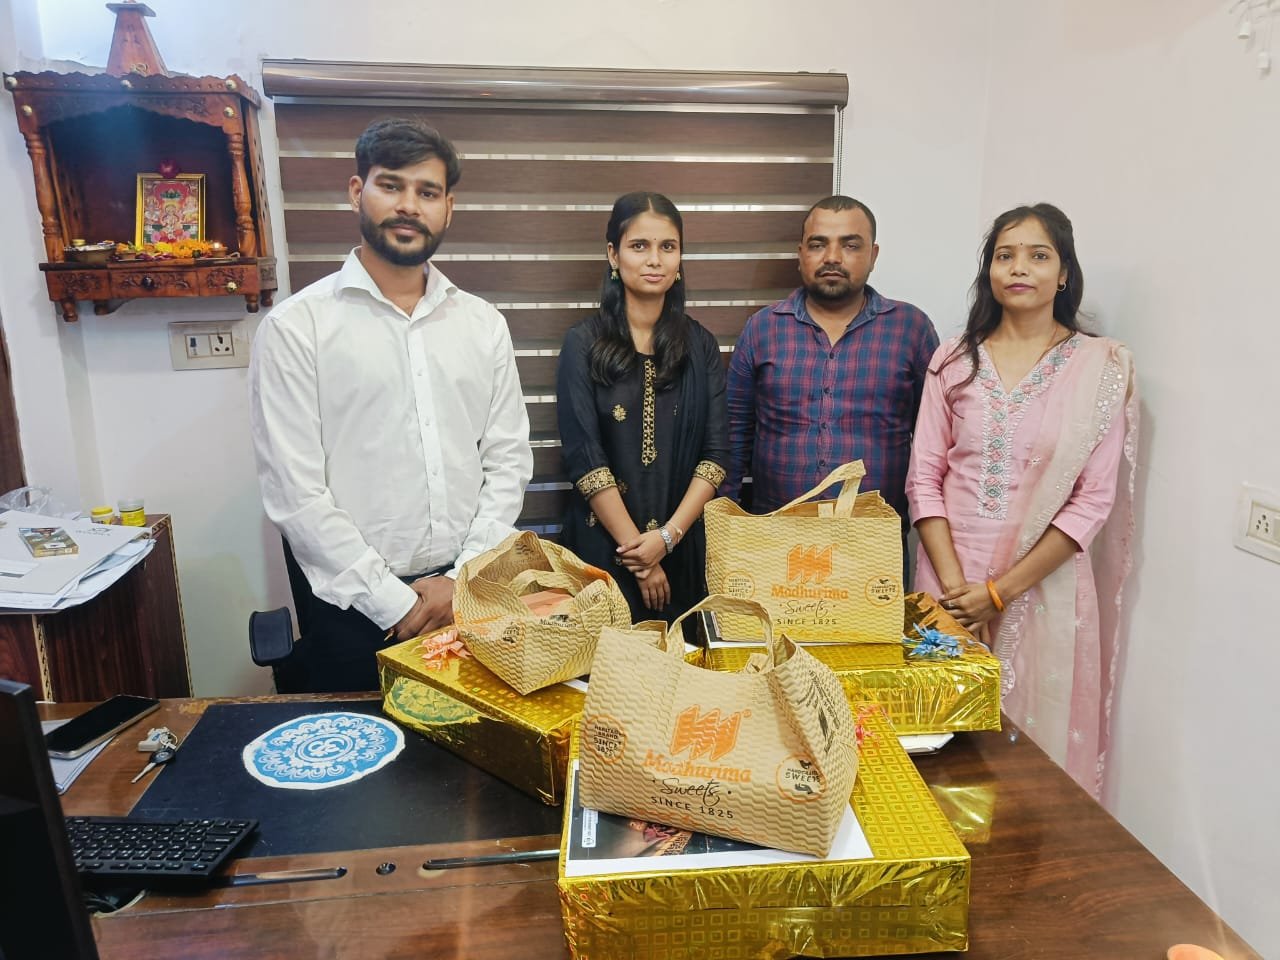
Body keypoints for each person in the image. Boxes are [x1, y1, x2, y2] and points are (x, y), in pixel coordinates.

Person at [249, 118, 532, 692]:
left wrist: (462, 581)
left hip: (470, 595)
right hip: (352, 610)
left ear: (448, 208)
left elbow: (508, 461)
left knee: (479, 742)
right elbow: (296, 493)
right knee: (366, 746)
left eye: (427, 192)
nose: (408, 205)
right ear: (358, 191)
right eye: (391, 185)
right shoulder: (297, 328)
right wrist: (394, 603)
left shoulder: (482, 325)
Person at [905, 203, 1138, 797]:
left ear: (1064, 274)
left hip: (1041, 584)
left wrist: (997, 594)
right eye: (1004, 255)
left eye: (1038, 256)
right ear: (989, 271)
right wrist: (959, 597)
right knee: (941, 743)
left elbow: (1091, 502)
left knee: (1031, 754)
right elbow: (923, 478)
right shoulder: (953, 358)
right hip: (946, 578)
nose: (1019, 268)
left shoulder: (1099, 367)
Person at [556, 192, 729, 622]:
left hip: (683, 551)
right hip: (601, 553)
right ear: (613, 255)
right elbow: (585, 459)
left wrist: (667, 539)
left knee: (685, 662)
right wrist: (641, 557)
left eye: (667, 247)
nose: (654, 260)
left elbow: (715, 457)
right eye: (639, 246)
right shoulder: (583, 343)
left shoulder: (700, 345)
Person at [722, 195, 938, 529]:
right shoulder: (762, 329)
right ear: (801, 255)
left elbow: (934, 444)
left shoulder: (911, 329)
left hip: (875, 539)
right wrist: (726, 525)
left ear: (873, 255)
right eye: (818, 245)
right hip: (775, 537)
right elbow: (734, 438)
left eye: (850, 245)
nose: (833, 257)